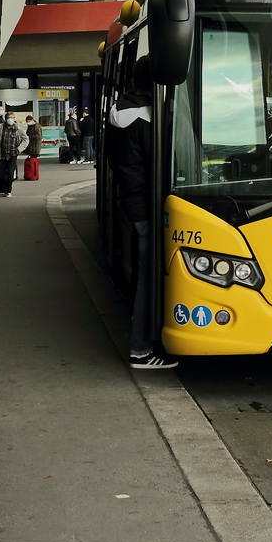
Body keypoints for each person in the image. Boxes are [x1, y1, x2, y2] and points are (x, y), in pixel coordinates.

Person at [107, 58, 175, 370]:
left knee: (144, 271)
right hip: (147, 205)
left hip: (131, 202)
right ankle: (141, 350)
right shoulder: (149, 119)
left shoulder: (119, 111)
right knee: (150, 277)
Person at [0, 111, 29, 197]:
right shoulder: (0, 128)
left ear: (14, 119)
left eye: (11, 118)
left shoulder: (18, 129)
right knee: (2, 173)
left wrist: (19, 149)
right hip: (2, 154)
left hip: (13, 154)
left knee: (10, 173)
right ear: (5, 119)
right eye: (8, 118)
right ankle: (5, 186)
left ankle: (7, 190)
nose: (10, 120)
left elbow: (26, 139)